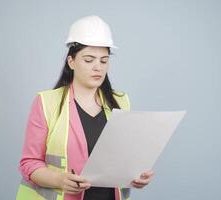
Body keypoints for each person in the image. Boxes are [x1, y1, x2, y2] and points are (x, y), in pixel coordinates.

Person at [16, 15, 154, 200]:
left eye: (104, 61)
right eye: (89, 60)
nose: (98, 67)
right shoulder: (46, 102)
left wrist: (135, 176)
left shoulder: (121, 102)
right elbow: (29, 163)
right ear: (71, 61)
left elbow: (123, 161)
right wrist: (59, 180)